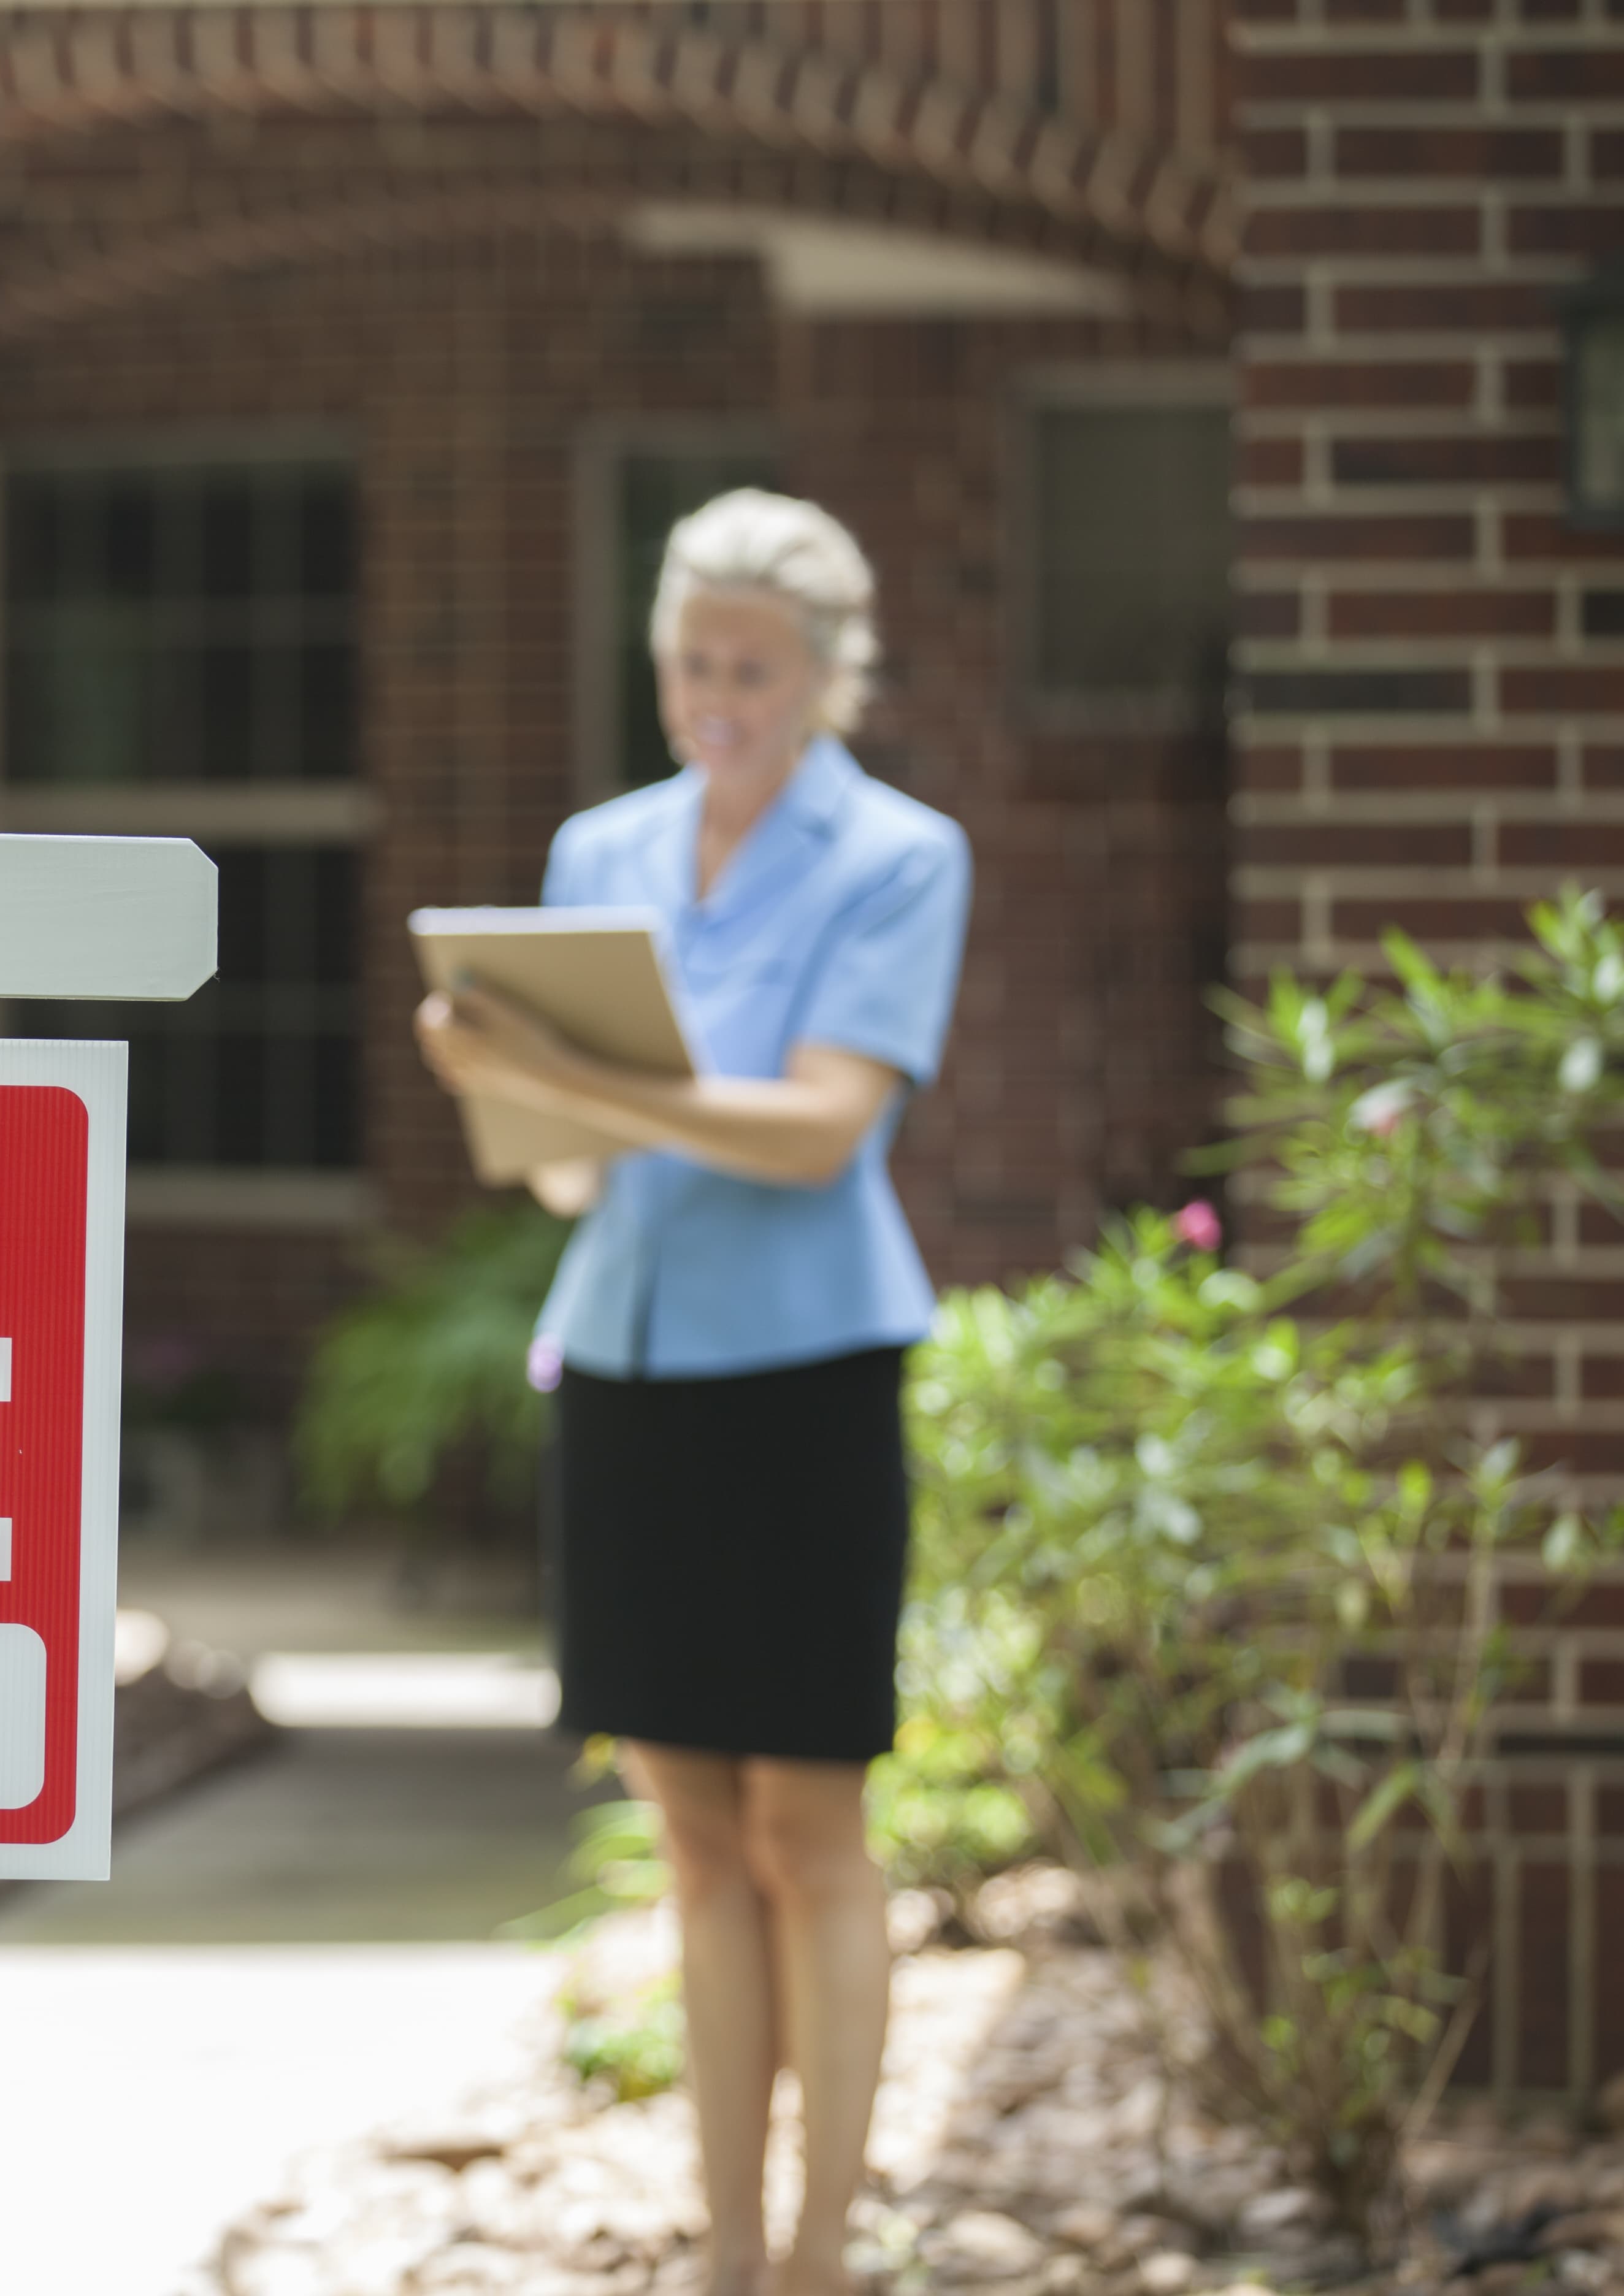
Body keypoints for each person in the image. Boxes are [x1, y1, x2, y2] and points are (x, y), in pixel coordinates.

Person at [413, 489, 970, 2296]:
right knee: (692, 1833)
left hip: (804, 1382)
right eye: (689, 662)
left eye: (751, 666)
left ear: (827, 676)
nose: (715, 696)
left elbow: (819, 1133)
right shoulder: (602, 853)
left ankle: (824, 2254)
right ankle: (729, 2254)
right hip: (631, 1373)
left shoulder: (899, 858)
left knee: (809, 1830)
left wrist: (587, 1075)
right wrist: (501, 1080)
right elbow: (566, 1174)